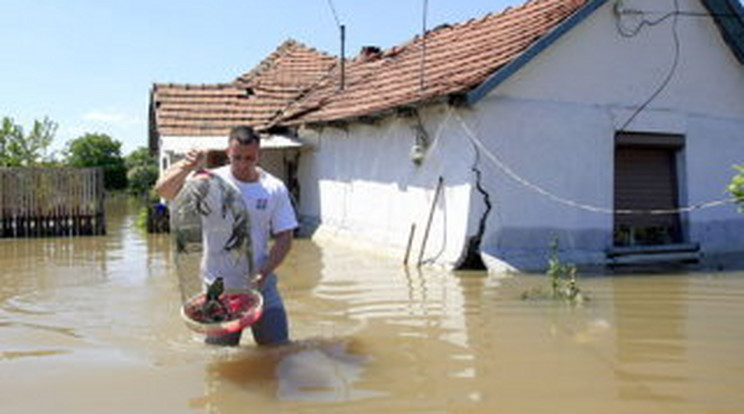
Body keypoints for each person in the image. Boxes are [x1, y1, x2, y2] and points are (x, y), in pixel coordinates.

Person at [155, 126, 298, 346]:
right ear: (228, 153)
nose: (242, 164)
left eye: (249, 158)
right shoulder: (208, 181)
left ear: (259, 155)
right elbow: (164, 191)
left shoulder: (273, 188)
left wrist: (265, 271)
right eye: (237, 157)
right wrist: (186, 166)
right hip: (217, 289)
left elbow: (285, 237)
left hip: (261, 284)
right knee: (219, 360)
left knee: (278, 351)